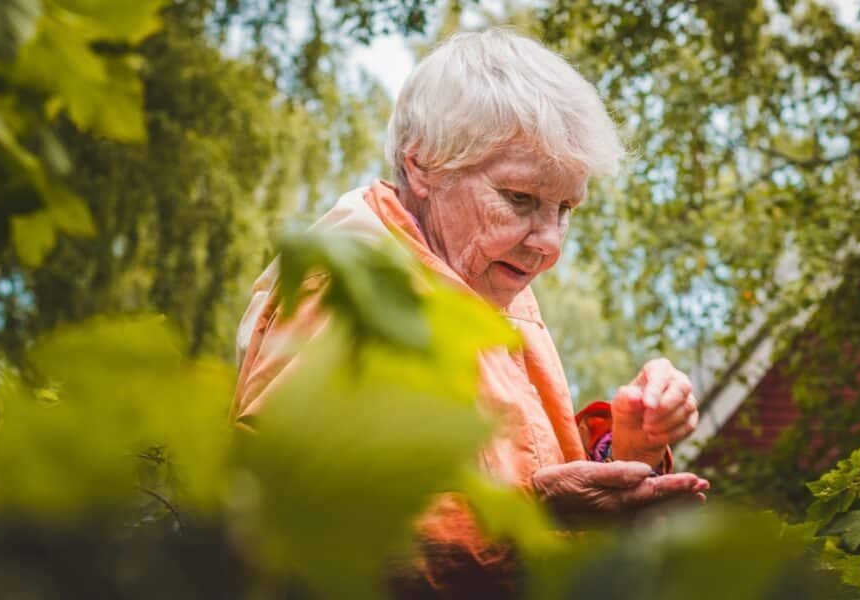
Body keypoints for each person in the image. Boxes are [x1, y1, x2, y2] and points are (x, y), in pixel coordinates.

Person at [231, 28, 708, 598]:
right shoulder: (347, 291)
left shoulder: (488, 280)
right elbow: (283, 525)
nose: (550, 242)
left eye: (566, 208)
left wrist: (627, 447)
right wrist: (533, 515)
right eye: (521, 199)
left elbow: (518, 463)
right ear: (423, 167)